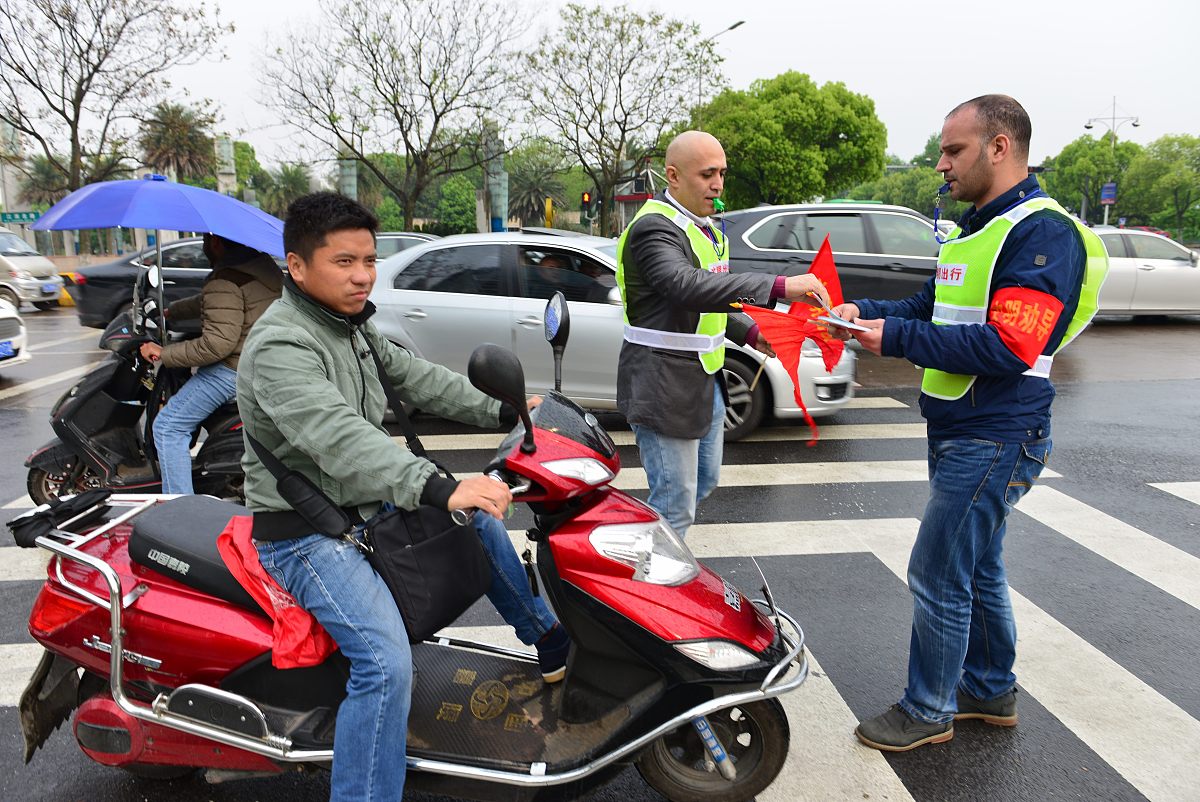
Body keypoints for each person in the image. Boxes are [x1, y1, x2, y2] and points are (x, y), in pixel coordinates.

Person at [236, 192, 569, 801]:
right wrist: (439, 487)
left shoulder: (351, 326)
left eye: (368, 260)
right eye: (343, 262)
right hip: (307, 531)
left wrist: (509, 410)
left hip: (364, 507)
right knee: (385, 665)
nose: (362, 275)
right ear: (297, 266)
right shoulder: (282, 345)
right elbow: (338, 437)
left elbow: (420, 378)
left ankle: (549, 640)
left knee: (481, 525)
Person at [841, 95, 1108, 752]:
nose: (941, 164)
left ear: (1000, 147)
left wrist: (892, 338)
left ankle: (929, 708)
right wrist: (860, 313)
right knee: (977, 564)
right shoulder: (974, 229)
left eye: (953, 150)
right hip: (960, 425)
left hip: (997, 433)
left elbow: (1010, 346)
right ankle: (989, 690)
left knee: (937, 571)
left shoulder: (1042, 233)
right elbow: (930, 307)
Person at [615, 130, 830, 538]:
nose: (718, 184)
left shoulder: (706, 229)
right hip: (663, 387)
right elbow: (686, 286)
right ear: (673, 176)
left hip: (705, 379)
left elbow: (713, 299)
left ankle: (652, 548)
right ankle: (650, 572)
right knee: (675, 506)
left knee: (704, 482)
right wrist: (780, 286)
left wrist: (751, 333)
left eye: (722, 173)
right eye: (707, 174)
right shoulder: (653, 229)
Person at [140, 234, 283, 494]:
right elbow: (216, 302)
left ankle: (181, 506)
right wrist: (171, 311)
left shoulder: (225, 279)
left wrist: (164, 353)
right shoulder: (261, 268)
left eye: (206, 240)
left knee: (168, 427)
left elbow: (216, 345)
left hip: (234, 369)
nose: (204, 245)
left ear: (216, 243)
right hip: (265, 361)